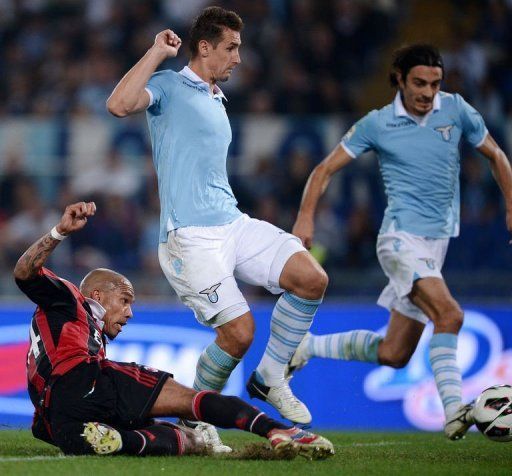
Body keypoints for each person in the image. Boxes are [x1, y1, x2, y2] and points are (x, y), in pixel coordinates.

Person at [106, 5, 328, 445]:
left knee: (310, 277)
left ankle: (270, 376)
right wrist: (156, 53)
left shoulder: (214, 95)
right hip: (188, 237)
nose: (238, 58)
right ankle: (194, 412)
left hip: (232, 223)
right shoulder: (170, 86)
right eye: (231, 48)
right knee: (239, 332)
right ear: (204, 47)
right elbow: (118, 104)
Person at [288, 44, 512, 440]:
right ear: (399, 80)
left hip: (436, 246)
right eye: (420, 83)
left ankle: (308, 346)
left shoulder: (457, 110)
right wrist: (306, 218)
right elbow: (323, 170)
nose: (428, 92)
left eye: (435, 84)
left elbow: (496, 156)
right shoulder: (377, 124)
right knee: (451, 316)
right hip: (399, 240)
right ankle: (455, 410)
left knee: (394, 353)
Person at [14, 201, 334, 459]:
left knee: (169, 436)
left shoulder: (73, 327)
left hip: (55, 419)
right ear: (97, 295)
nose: (130, 312)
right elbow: (25, 273)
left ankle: (128, 441)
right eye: (125, 300)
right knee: (189, 401)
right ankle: (278, 430)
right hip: (82, 378)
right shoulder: (68, 298)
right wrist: (58, 232)